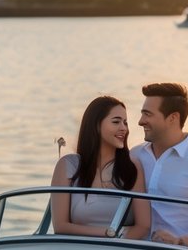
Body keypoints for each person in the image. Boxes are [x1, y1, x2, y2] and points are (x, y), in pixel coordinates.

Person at [131, 82, 188, 249]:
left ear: (173, 118)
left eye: (148, 114)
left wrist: (181, 241)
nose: (140, 121)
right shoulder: (134, 155)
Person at [51, 95, 150, 239]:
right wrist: (107, 234)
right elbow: (60, 226)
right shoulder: (68, 165)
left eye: (125, 123)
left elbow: (143, 226)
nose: (124, 128)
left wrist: (114, 244)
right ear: (96, 125)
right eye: (116, 122)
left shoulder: (132, 166)